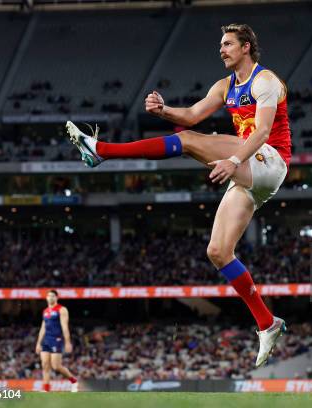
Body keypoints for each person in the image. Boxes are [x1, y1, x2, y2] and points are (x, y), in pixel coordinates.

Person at [66, 23, 290, 367]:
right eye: (220, 43)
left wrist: (232, 160)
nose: (221, 48)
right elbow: (191, 115)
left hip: (269, 159)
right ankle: (266, 322)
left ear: (246, 47)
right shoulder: (224, 86)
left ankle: (103, 151)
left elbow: (261, 131)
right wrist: (164, 111)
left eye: (228, 43)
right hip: (249, 168)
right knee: (217, 252)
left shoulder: (265, 82)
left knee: (187, 141)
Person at [35, 289, 79, 392]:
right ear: (46, 298)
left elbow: (65, 327)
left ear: (56, 298)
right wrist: (38, 343)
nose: (50, 298)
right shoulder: (45, 311)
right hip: (46, 340)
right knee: (45, 365)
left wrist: (67, 342)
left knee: (56, 366)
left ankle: (73, 381)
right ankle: (46, 390)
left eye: (53, 296)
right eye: (49, 296)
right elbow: (43, 327)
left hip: (56, 339)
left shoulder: (62, 309)